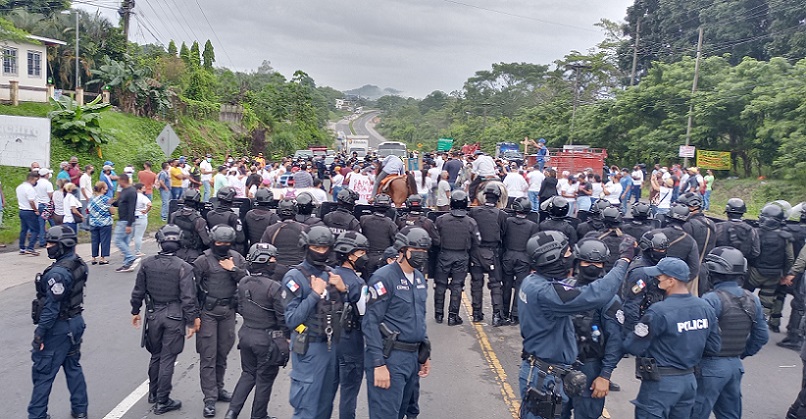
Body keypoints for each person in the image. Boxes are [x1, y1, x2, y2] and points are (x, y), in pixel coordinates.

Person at [517, 231, 633, 419]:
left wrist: (605, 374)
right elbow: (597, 294)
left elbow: (615, 339)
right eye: (567, 252)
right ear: (553, 258)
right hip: (546, 377)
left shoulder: (533, 282)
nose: (570, 256)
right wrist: (624, 261)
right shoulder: (549, 293)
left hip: (550, 370)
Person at [623, 257, 720, 419]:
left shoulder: (659, 311)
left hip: (661, 383)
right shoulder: (705, 308)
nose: (656, 280)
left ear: (671, 281)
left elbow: (634, 346)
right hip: (689, 381)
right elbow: (713, 347)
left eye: (659, 277)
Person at [130, 224, 200, 414]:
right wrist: (191, 321)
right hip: (174, 316)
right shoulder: (184, 267)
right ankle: (162, 400)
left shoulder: (147, 264)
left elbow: (138, 290)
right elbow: (188, 298)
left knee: (156, 355)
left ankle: (153, 393)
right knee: (168, 358)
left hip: (153, 315)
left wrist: (135, 311)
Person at [363, 228, 432, 419]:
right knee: (385, 414)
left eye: (425, 251)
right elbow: (370, 322)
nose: (421, 255)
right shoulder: (384, 278)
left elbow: (418, 316)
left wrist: (424, 353)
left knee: (402, 412)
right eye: (417, 250)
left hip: (411, 358)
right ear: (402, 250)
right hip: (389, 356)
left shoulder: (418, 277)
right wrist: (378, 364)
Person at [693, 247, 768, 419]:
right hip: (735, 366)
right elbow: (762, 336)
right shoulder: (752, 299)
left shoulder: (711, 299)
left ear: (713, 272)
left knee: (696, 412)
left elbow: (696, 337)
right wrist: (742, 353)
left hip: (709, 367)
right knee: (730, 414)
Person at [282, 226, 347, 419]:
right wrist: (314, 294)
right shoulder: (295, 277)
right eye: (316, 247)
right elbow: (292, 320)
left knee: (325, 404)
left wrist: (344, 290)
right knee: (306, 407)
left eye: (325, 248)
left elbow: (348, 309)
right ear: (306, 246)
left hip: (331, 346)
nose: (321, 252)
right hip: (308, 346)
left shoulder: (332, 274)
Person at [28, 226, 89, 419]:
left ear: (64, 245)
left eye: (51, 243)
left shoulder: (58, 274)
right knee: (73, 367)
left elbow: (52, 308)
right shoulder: (78, 263)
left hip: (59, 328)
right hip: (76, 322)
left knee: (43, 373)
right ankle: (80, 410)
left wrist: (40, 333)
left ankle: (37, 415)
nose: (47, 246)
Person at [561, 239, 625, 419]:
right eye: (587, 262)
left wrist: (605, 375)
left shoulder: (609, 299)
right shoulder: (564, 288)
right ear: (578, 261)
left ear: (603, 265)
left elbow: (616, 340)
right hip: (560, 363)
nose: (591, 266)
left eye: (596, 262)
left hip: (589, 366)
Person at [224, 243, 288, 419]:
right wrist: (289, 337)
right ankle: (258, 416)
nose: (276, 262)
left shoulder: (244, 281)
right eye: (273, 259)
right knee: (265, 379)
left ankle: (232, 412)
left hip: (246, 334)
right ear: (265, 261)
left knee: (248, 374)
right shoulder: (274, 287)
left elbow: (237, 305)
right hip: (266, 339)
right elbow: (282, 317)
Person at [193, 225, 248, 417]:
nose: (223, 246)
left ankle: (218, 388)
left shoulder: (237, 258)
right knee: (208, 355)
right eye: (219, 243)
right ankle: (209, 398)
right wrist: (194, 317)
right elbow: (192, 291)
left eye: (226, 243)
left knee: (222, 352)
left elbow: (247, 282)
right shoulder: (202, 261)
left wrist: (233, 269)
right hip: (208, 312)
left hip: (228, 312)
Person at [329, 231, 371, 419]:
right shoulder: (358, 283)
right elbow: (365, 316)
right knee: (348, 394)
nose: (365, 257)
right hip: (351, 343)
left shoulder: (327, 275)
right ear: (349, 254)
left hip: (328, 342)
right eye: (361, 253)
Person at [434, 190, 481, 325]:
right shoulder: (470, 222)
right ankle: (452, 316)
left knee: (441, 285)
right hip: (461, 255)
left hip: (444, 255)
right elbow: (477, 240)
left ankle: (438, 314)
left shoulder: (441, 220)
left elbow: (436, 239)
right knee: (457, 286)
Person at [746, 204, 794, 332]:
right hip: (774, 275)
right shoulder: (785, 237)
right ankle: (758, 326)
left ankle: (742, 320)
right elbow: (789, 258)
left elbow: (748, 252)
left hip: (754, 271)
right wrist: (785, 274)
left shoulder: (755, 232)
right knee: (766, 302)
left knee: (744, 295)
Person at [468, 183, 509, 326]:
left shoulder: (474, 212)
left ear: (484, 196)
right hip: (492, 252)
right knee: (496, 284)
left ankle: (477, 314)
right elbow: (504, 234)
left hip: (476, 251)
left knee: (476, 284)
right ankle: (497, 315)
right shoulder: (502, 215)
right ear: (498, 198)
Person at [621, 230, 670, 333]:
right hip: (642, 322)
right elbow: (632, 304)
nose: (662, 252)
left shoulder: (656, 266)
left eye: (664, 250)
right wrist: (634, 331)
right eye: (658, 249)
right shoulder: (640, 273)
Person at [501, 197, 540, 325]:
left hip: (508, 256)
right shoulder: (532, 226)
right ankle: (515, 314)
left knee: (506, 285)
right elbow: (534, 246)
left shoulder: (508, 221)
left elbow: (503, 238)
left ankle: (503, 312)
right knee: (519, 287)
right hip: (524, 258)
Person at [261, 199, 309, 266]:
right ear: (296, 211)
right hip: (299, 268)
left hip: (277, 267)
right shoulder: (305, 229)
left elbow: (264, 250)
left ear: (278, 211)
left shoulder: (270, 230)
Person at [360, 194, 399, 276]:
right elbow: (396, 241)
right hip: (383, 259)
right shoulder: (390, 223)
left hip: (367, 258)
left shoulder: (364, 219)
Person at [169, 189, 212, 263]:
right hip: (193, 256)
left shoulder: (174, 215)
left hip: (176, 253)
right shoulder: (199, 220)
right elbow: (207, 241)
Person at [206, 187, 247, 255]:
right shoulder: (233, 217)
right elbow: (240, 238)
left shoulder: (209, 214)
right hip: (229, 251)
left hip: (213, 249)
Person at [113, 174, 140, 273]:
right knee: (124, 242)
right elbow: (120, 202)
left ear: (123, 180)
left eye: (119, 181)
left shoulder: (131, 191)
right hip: (122, 219)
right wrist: (112, 202)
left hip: (126, 220)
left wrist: (129, 224)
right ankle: (126, 264)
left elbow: (131, 208)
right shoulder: (124, 190)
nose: (118, 183)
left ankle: (130, 257)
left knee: (117, 240)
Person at [88, 182, 113, 265]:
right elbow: (112, 211)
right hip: (105, 223)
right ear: (102, 189)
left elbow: (88, 210)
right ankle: (103, 258)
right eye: (105, 188)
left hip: (93, 222)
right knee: (104, 240)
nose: (106, 189)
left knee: (95, 240)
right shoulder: (106, 199)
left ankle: (93, 258)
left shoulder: (91, 199)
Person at [35, 168, 55, 246]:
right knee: (53, 222)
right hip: (47, 205)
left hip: (39, 205)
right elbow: (50, 195)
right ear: (46, 174)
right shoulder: (48, 183)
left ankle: (42, 241)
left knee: (41, 224)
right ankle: (57, 237)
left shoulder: (36, 183)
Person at [132, 183, 153, 257]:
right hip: (141, 216)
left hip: (133, 215)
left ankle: (125, 250)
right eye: (143, 188)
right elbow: (149, 204)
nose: (144, 189)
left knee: (131, 235)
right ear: (139, 189)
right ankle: (138, 251)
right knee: (139, 235)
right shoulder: (143, 197)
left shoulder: (132, 196)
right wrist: (146, 211)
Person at [79, 165, 94, 230]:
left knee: (88, 212)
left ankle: (87, 225)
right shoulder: (84, 177)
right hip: (84, 198)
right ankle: (83, 226)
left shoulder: (89, 177)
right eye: (91, 169)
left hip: (89, 196)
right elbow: (82, 188)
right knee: (84, 212)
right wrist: (86, 197)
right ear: (88, 170)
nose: (93, 171)